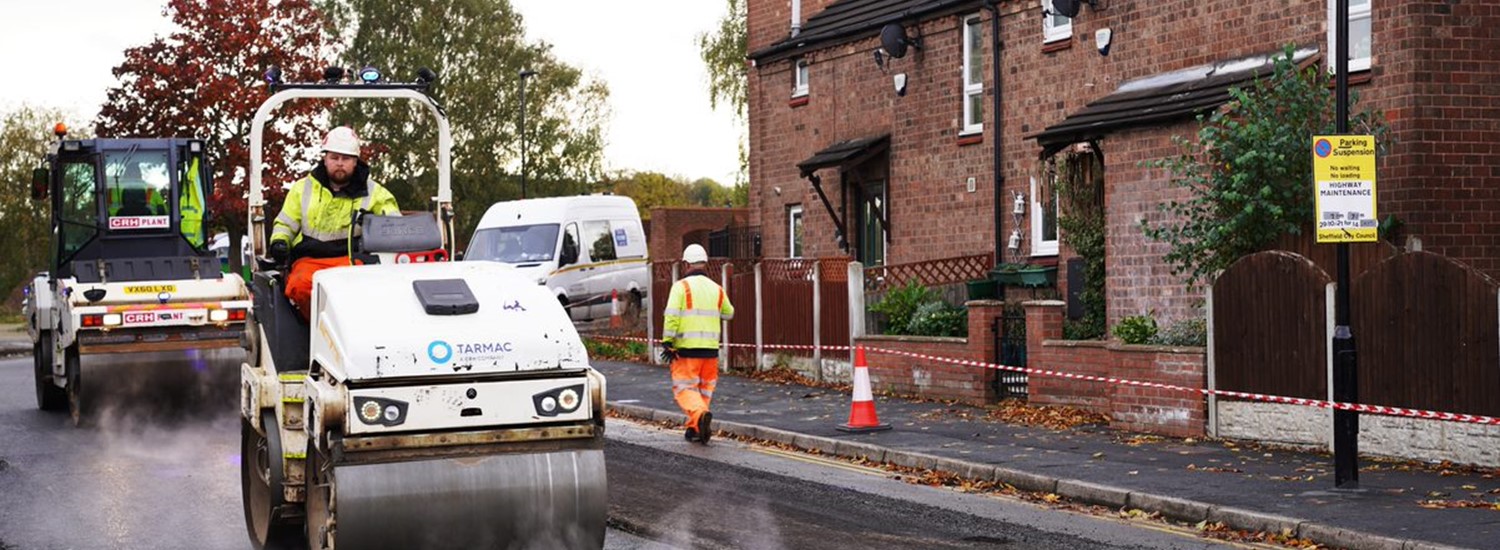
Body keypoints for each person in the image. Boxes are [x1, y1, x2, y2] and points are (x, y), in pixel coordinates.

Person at [269, 126, 399, 316]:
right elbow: (285, 223)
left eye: (345, 158)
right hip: (311, 260)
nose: (339, 163)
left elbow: (395, 224)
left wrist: (380, 227)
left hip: (352, 260)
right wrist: (279, 241)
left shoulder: (375, 192)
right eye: (334, 158)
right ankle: (316, 331)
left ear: (355, 161)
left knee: (372, 291)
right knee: (299, 286)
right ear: (325, 158)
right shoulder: (302, 188)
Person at [660, 244, 734, 444]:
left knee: (685, 389)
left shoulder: (680, 287)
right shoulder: (716, 288)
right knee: (704, 390)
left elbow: (672, 316)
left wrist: (667, 341)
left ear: (686, 264)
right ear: (705, 263)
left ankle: (700, 416)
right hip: (710, 351)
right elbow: (729, 313)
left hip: (686, 350)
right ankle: (695, 429)